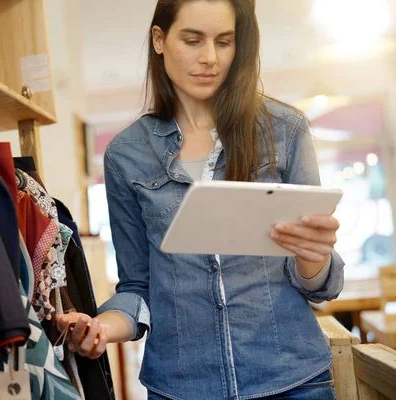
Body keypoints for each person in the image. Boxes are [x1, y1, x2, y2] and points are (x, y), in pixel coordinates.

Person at [56, 1, 344, 399]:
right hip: (181, 388)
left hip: (292, 380)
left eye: (224, 42)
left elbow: (319, 285)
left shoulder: (285, 131)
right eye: (192, 40)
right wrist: (101, 327)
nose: (209, 58)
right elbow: (139, 287)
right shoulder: (126, 155)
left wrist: (314, 255)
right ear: (159, 39)